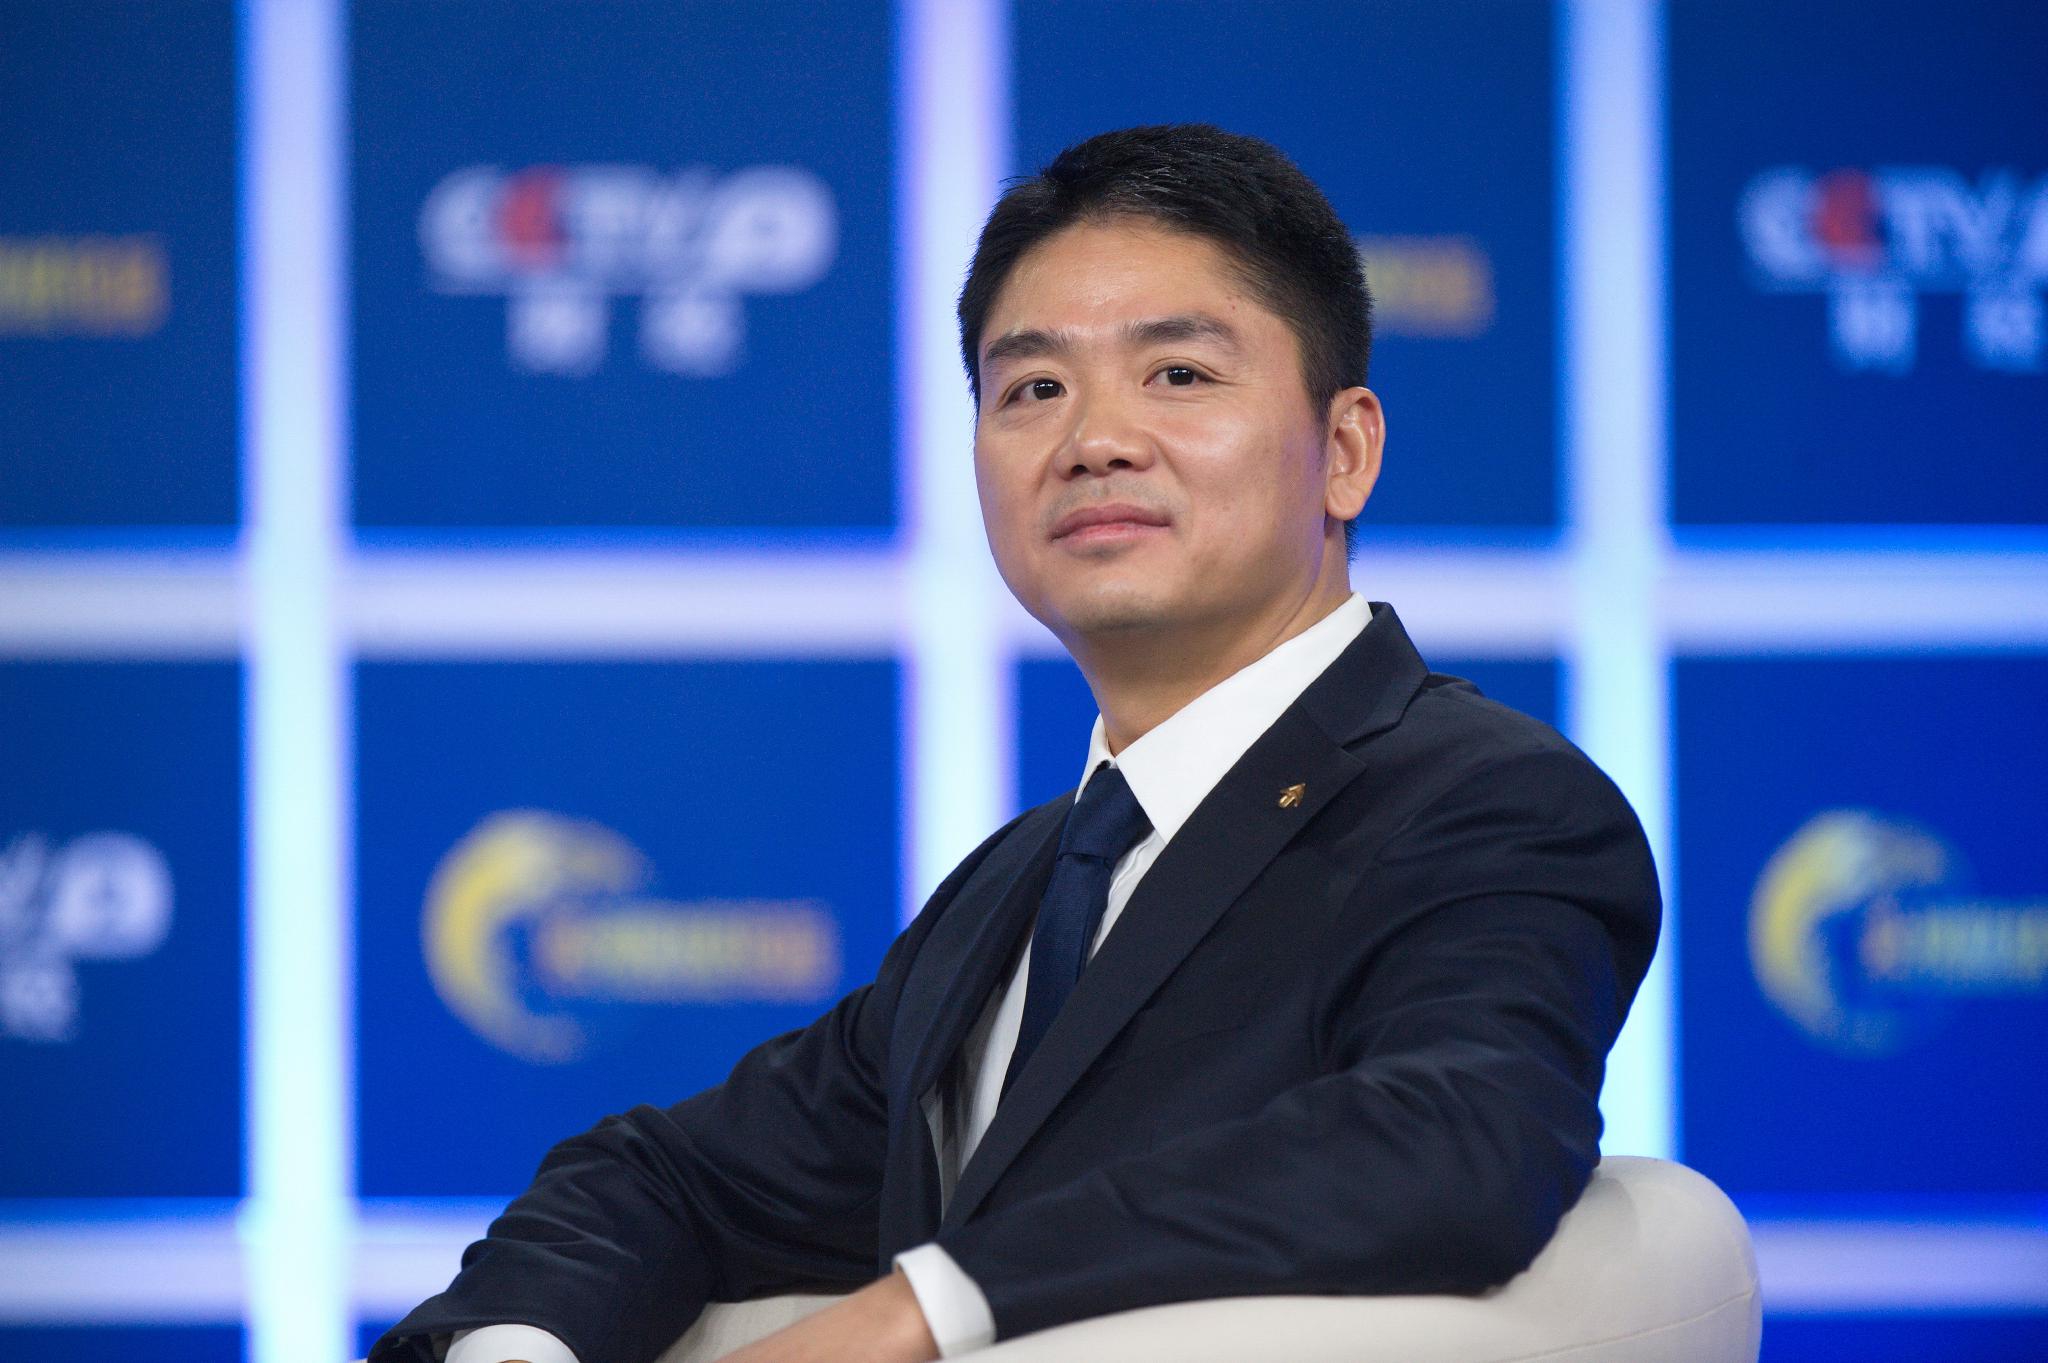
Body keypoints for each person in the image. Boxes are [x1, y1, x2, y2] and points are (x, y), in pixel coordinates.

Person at [371, 123, 1659, 1363]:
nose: (1095, 441)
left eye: (1179, 375)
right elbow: (669, 1180)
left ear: (1345, 450)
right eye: (1034, 389)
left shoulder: (1489, 805)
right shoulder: (1022, 883)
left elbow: (1455, 1142)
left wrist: (931, 1308)